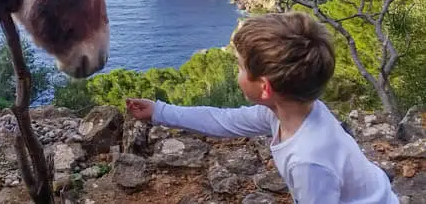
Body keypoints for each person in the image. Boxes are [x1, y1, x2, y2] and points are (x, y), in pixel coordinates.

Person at [126, 11, 398, 204]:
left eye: (241, 67)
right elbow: (224, 121)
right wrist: (159, 111)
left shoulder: (308, 160)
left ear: (265, 88)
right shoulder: (292, 110)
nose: (237, 74)